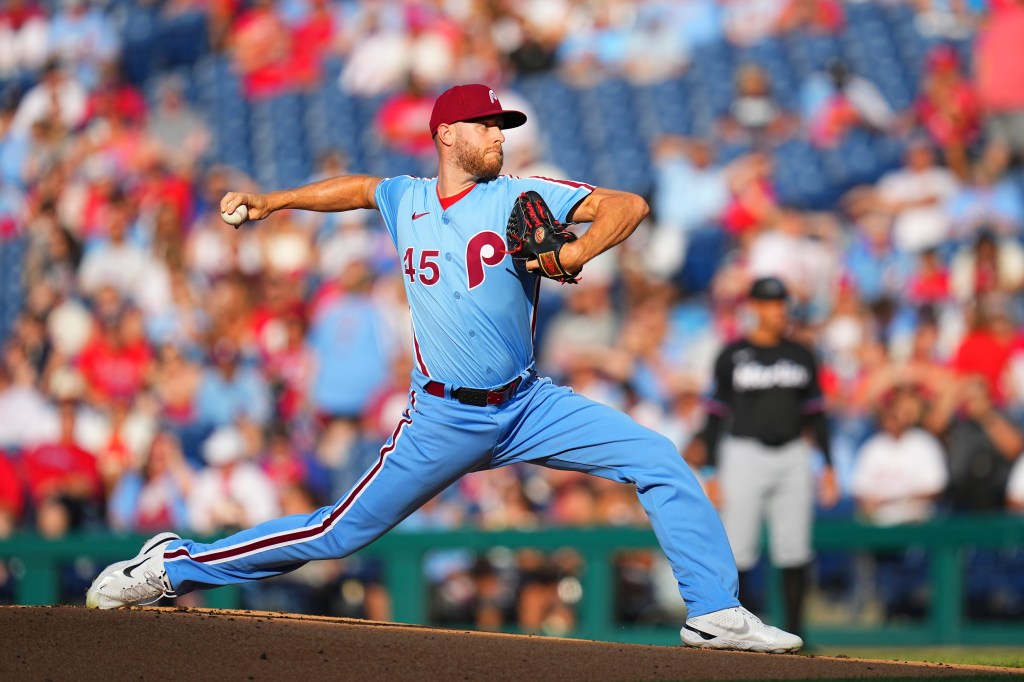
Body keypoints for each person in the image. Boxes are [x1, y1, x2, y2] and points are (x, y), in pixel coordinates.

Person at [85, 83, 802, 653]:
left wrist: (577, 253)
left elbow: (628, 205)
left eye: (502, 125)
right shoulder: (409, 199)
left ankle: (714, 611)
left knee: (658, 459)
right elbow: (360, 188)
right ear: (447, 134)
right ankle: (171, 566)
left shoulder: (520, 196)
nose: (499, 135)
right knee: (336, 533)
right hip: (443, 415)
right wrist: (274, 201)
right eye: (487, 124)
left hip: (528, 406)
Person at [686, 277, 839, 641]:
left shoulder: (801, 354)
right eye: (770, 303)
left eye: (782, 303)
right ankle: (742, 632)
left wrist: (829, 465)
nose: (779, 310)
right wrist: (710, 470)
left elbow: (816, 414)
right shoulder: (732, 355)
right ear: (753, 308)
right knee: (740, 549)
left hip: (792, 453)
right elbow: (714, 416)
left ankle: (797, 633)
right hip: (743, 454)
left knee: (795, 548)